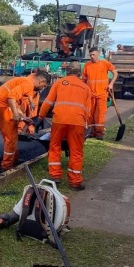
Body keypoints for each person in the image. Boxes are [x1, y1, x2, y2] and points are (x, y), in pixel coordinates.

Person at [35, 61, 91, 191]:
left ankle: (55, 176)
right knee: (76, 151)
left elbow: (47, 102)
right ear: (79, 73)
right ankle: (75, 182)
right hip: (78, 122)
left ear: (67, 71)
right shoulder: (85, 87)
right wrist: (85, 124)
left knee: (55, 146)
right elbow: (88, 110)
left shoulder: (59, 83)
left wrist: (40, 118)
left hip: (59, 120)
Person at [0, 70, 51, 171]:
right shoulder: (28, 83)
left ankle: (14, 159)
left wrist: (22, 117)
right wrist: (15, 114)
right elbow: (11, 97)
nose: (42, 88)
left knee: (10, 136)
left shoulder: (27, 81)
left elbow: (15, 102)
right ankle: (6, 166)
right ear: (41, 82)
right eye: (44, 86)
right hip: (2, 107)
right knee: (11, 138)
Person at [81, 46, 117, 139]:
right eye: (90, 55)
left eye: (93, 54)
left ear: (98, 54)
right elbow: (84, 80)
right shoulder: (87, 65)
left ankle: (99, 133)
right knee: (89, 114)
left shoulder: (105, 63)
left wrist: (111, 84)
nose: (92, 56)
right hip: (91, 94)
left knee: (100, 113)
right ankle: (91, 132)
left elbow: (115, 73)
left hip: (102, 93)